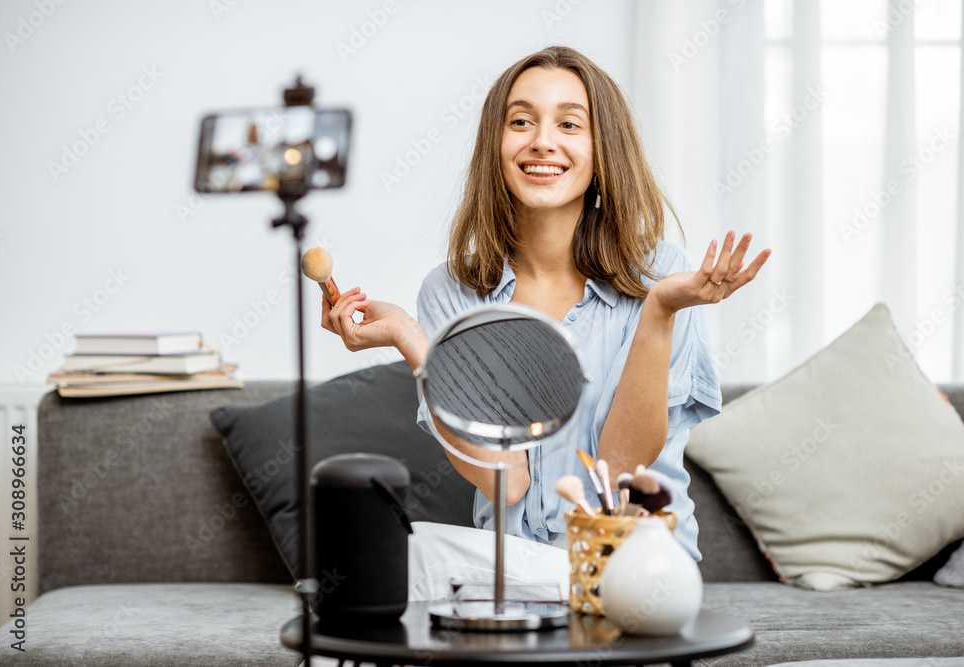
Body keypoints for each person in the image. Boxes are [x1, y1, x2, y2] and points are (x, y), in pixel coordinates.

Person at [322, 46, 770, 602]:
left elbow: (617, 471)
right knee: (383, 568)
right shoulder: (451, 292)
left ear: (602, 147)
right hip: (513, 574)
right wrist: (415, 342)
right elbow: (507, 483)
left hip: (636, 568)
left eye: (568, 124)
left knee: (405, 566)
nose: (542, 142)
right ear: (497, 145)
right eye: (521, 121)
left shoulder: (666, 276)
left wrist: (659, 310)